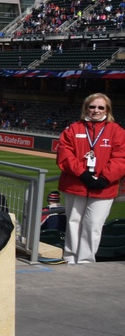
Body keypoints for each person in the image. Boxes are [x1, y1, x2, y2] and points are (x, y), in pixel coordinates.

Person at [56, 93, 125, 264]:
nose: (96, 110)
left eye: (101, 107)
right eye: (92, 107)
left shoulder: (117, 131)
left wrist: (104, 178)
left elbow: (120, 159)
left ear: (107, 110)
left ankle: (85, 261)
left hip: (104, 187)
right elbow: (65, 155)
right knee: (73, 222)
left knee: (93, 225)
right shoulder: (73, 129)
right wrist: (83, 174)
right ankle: (70, 258)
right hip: (76, 184)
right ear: (86, 108)